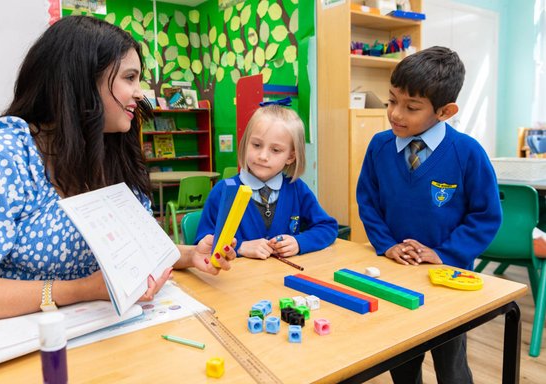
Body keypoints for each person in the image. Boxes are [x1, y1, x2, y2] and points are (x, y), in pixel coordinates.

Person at [0, 16, 236, 324]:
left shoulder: (112, 149)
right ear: (83, 81)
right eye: (129, 78)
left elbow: (133, 246)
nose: (140, 93)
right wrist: (81, 291)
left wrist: (188, 254)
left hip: (106, 337)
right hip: (28, 346)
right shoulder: (2, 155)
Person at [356, 46, 502, 384]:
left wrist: (444, 254)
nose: (395, 114)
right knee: (402, 363)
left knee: (451, 367)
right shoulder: (379, 146)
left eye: (411, 107)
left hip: (448, 280)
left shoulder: (467, 153)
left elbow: (485, 216)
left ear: (445, 111)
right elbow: (368, 201)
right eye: (392, 101)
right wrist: (387, 245)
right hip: (396, 275)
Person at [195, 105, 338, 259]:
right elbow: (201, 246)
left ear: (290, 157)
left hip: (283, 278)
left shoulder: (296, 188)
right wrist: (240, 247)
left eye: (275, 150)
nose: (263, 156)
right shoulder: (223, 191)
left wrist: (299, 242)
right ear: (245, 144)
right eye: (256, 145)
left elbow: (327, 227)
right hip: (237, 280)